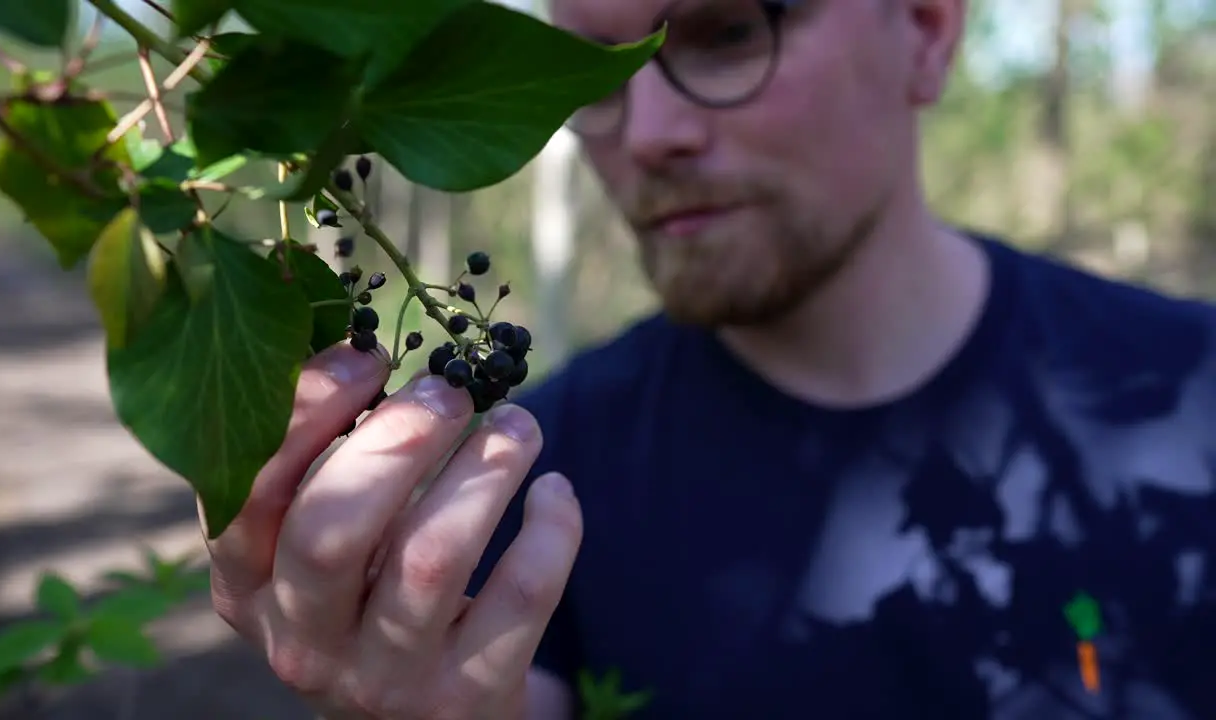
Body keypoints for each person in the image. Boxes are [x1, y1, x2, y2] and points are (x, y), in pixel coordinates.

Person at [200, 0, 1216, 717]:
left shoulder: (1188, 396)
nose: (644, 133)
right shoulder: (532, 480)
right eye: (588, 68)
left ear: (925, 30)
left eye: (728, 31)